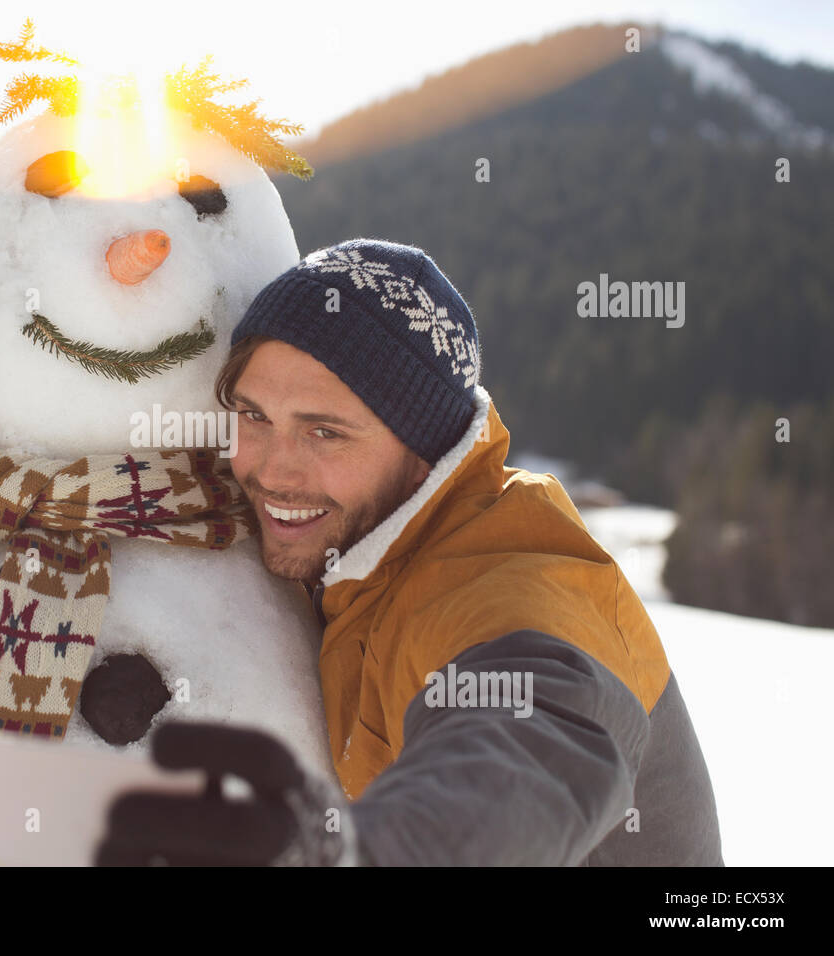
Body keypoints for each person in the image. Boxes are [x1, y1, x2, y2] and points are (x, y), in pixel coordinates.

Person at [97, 238, 723, 866]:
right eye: (254, 416)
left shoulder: (513, 579)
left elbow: (528, 750)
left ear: (424, 449)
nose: (270, 471)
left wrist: (359, 853)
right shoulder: (354, 548)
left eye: (325, 432)